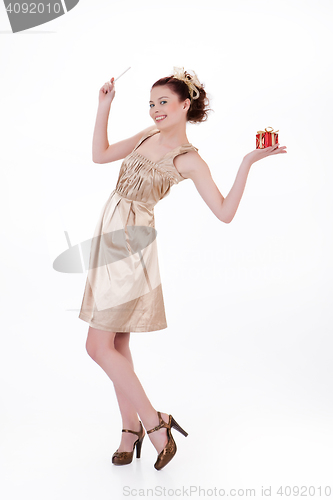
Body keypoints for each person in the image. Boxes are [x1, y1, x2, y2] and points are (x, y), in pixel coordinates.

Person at [78, 67, 287, 471]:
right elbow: (99, 155)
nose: (156, 110)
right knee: (116, 345)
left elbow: (225, 212)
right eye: (152, 103)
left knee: (96, 347)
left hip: (131, 245)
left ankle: (156, 424)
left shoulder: (188, 160)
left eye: (163, 103)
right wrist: (104, 106)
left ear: (185, 105)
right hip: (109, 239)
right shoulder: (147, 135)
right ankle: (129, 428)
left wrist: (247, 162)